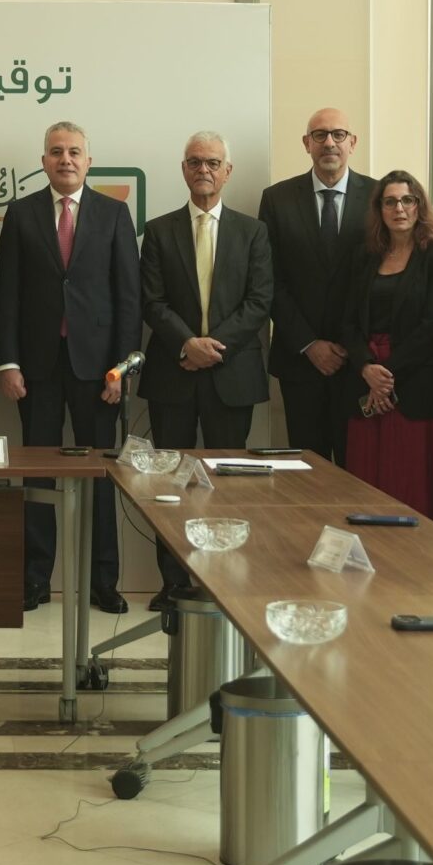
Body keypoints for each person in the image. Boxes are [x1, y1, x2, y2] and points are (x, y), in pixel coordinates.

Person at [0, 122, 138, 614]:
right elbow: (7, 295)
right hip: (36, 367)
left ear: (89, 161)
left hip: (99, 372)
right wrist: (8, 362)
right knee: (37, 476)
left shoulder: (114, 214)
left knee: (100, 475)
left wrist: (122, 369)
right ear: (44, 162)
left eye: (74, 152)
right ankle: (35, 579)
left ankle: (103, 581)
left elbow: (128, 297)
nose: (65, 159)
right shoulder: (21, 213)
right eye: (56, 152)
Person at [140, 130, 272, 612]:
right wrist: (187, 344)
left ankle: (221, 580)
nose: (204, 170)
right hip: (173, 374)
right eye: (195, 162)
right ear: (183, 169)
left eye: (213, 163)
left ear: (227, 171)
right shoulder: (158, 231)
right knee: (170, 487)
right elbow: (151, 301)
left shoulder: (253, 232)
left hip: (231, 376)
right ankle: (173, 582)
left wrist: (214, 348)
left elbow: (260, 301)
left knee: (226, 486)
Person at [259, 108, 375, 466]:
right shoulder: (277, 199)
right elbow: (269, 279)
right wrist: (309, 344)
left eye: (338, 134)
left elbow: (384, 276)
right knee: (308, 475)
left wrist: (351, 347)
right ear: (306, 143)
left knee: (357, 473)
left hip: (359, 362)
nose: (329, 143)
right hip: (300, 362)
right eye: (320, 135)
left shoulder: (379, 197)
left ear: (352, 142)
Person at [340, 171, 433, 522]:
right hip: (365, 382)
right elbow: (347, 322)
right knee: (365, 484)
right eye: (390, 202)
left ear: (419, 206)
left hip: (415, 384)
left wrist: (386, 377)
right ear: (379, 209)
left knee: (411, 486)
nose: (399, 208)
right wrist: (366, 369)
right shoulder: (363, 256)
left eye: (408, 200)